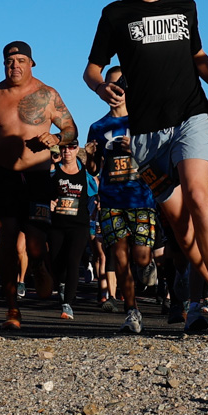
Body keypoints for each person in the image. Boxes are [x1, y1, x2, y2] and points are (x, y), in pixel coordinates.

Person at [83, 0, 208, 334]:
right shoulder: (115, 14)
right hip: (146, 135)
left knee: (198, 193)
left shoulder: (184, 6)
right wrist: (102, 88)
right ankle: (196, 298)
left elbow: (198, 55)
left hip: (191, 115)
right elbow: (91, 71)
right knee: (180, 226)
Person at [0, 41, 78, 330]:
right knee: (6, 241)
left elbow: (70, 129)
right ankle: (11, 309)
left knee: (34, 243)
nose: (14, 65)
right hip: (4, 177)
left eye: (20, 60)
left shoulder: (47, 94)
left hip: (38, 177)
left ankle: (40, 264)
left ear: (32, 64)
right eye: (9, 61)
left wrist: (57, 138)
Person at [85, 65, 158, 333]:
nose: (115, 92)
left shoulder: (143, 120)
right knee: (120, 257)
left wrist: (135, 149)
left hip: (140, 198)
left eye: (120, 86)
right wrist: (90, 154)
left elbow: (156, 158)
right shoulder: (98, 126)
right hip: (112, 200)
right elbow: (93, 169)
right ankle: (131, 311)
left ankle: (149, 264)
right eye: (110, 86)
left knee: (140, 258)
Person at [49, 140, 96, 322]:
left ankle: (67, 304)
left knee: (73, 261)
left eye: (71, 147)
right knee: (56, 262)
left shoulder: (84, 172)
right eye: (63, 147)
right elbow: (44, 191)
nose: (67, 151)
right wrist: (50, 201)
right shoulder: (53, 171)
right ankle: (61, 283)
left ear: (77, 149)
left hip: (79, 225)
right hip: (57, 224)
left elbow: (97, 188)